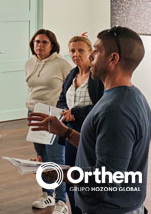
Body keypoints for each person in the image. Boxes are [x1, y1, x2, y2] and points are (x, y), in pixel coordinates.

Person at [29, 26, 151, 214]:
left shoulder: (116, 110)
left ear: (113, 59)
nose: (91, 56)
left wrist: (57, 172)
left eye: (96, 50)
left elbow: (107, 177)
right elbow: (102, 150)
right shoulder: (129, 96)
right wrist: (65, 132)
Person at [55, 35, 104, 214]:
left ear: (90, 52)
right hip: (69, 133)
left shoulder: (96, 77)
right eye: (72, 51)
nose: (76, 54)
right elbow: (61, 100)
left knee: (87, 179)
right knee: (71, 177)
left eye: (80, 50)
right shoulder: (72, 74)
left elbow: (101, 105)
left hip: (89, 134)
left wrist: (75, 113)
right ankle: (74, 210)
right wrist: (64, 111)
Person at [25, 29, 73, 213]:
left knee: (56, 158)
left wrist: (66, 111)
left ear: (52, 45)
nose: (40, 45)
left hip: (54, 114)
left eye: (45, 42)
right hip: (34, 112)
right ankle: (47, 194)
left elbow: (71, 88)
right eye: (37, 41)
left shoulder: (62, 64)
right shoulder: (30, 63)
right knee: (42, 157)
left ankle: (62, 202)